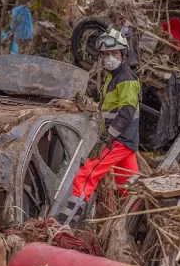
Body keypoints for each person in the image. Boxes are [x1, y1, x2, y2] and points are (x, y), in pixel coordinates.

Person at [56, 28, 140, 226]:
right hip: (125, 140)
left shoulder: (126, 79)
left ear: (123, 55)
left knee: (86, 176)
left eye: (114, 54)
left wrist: (107, 138)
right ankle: (136, 222)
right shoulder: (113, 76)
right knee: (129, 186)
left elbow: (126, 112)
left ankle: (64, 225)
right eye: (106, 55)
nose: (110, 58)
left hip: (118, 139)